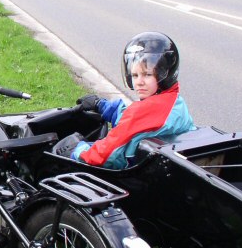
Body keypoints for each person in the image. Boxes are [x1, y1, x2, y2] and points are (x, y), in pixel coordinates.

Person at [57, 32, 194, 169]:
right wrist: (103, 106)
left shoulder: (144, 112)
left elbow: (106, 154)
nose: (139, 82)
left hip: (131, 170)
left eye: (147, 74)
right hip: (159, 165)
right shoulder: (174, 102)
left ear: (166, 73)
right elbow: (136, 123)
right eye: (135, 75)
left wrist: (78, 151)